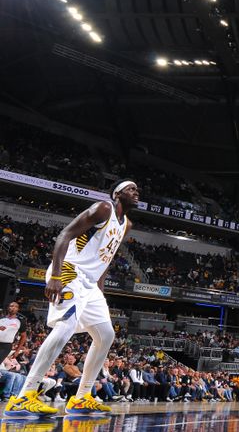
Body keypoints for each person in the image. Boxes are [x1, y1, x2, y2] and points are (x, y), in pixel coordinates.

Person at [4, 179, 139, 418]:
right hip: (70, 270)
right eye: (131, 189)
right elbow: (64, 235)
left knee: (106, 335)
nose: (136, 193)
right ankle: (24, 396)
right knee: (65, 327)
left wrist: (100, 288)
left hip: (90, 283)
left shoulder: (126, 224)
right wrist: (55, 275)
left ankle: (81, 398)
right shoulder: (103, 209)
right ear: (117, 194)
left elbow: (106, 257)